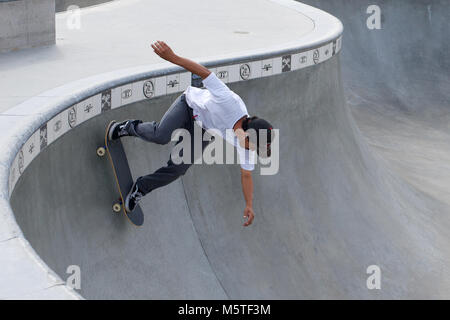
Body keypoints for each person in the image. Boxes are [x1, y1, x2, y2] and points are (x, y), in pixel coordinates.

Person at [108, 41, 274, 227]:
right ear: (247, 133)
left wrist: (249, 205)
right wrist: (172, 57)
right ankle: (128, 127)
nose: (249, 150)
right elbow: (204, 72)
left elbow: (246, 176)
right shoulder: (229, 101)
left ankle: (141, 188)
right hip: (189, 105)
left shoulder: (247, 145)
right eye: (250, 146)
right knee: (161, 135)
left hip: (202, 130)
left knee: (179, 169)